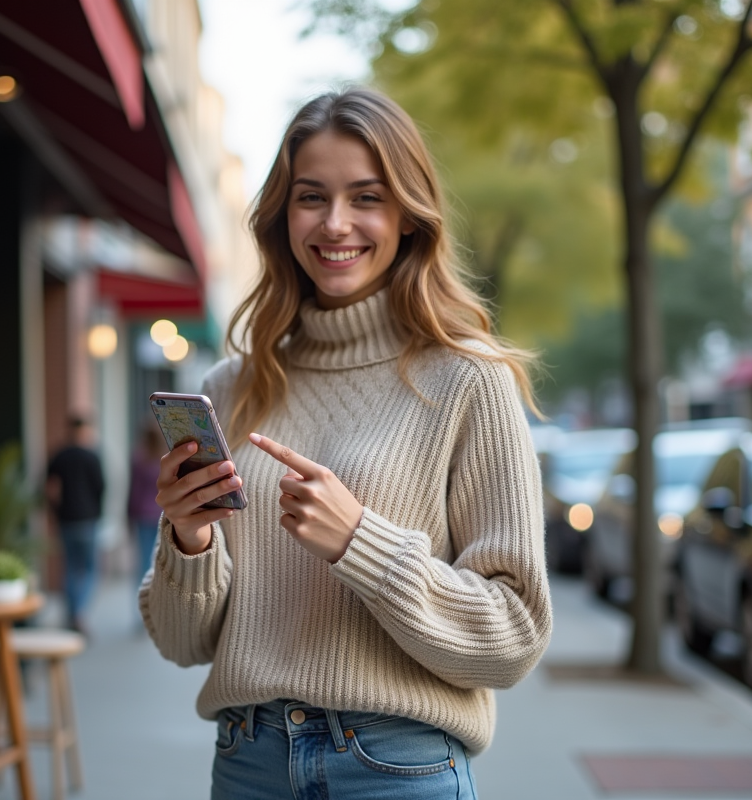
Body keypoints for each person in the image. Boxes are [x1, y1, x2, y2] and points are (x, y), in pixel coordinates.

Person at [139, 87, 551, 799]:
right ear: (281, 215)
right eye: (311, 197)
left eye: (366, 197)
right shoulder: (232, 387)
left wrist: (358, 539)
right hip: (247, 762)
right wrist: (189, 541)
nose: (336, 224)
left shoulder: (468, 378)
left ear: (407, 215)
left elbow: (513, 635)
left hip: (397, 767)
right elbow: (182, 644)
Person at [46, 415, 106, 635]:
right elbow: (101, 487)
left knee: (70, 568)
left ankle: (72, 612)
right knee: (90, 569)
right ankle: (79, 612)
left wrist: (54, 513)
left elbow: (49, 489)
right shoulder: (92, 456)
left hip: (66, 519)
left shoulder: (58, 456)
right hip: (88, 519)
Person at [127, 423, 164, 595]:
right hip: (161, 513)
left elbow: (134, 490)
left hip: (142, 515)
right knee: (160, 559)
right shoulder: (164, 458)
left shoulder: (139, 458)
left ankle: (143, 602)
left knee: (143, 561)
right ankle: (156, 598)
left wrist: (128, 514)